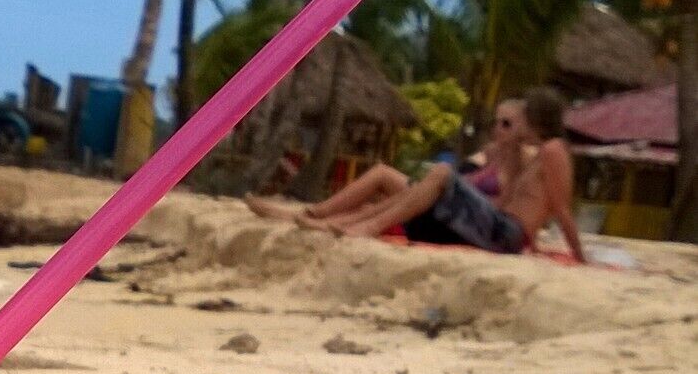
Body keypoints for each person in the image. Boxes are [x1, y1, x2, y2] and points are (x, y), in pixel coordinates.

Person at [246, 91, 585, 260]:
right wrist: (536, 245)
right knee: (419, 183)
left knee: (439, 174)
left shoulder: (553, 151)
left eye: (519, 119)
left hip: (505, 234)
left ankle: (361, 226)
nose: (511, 126)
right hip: (503, 230)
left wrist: (580, 258)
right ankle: (331, 219)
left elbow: (560, 208)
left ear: (534, 119)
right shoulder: (538, 154)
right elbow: (524, 205)